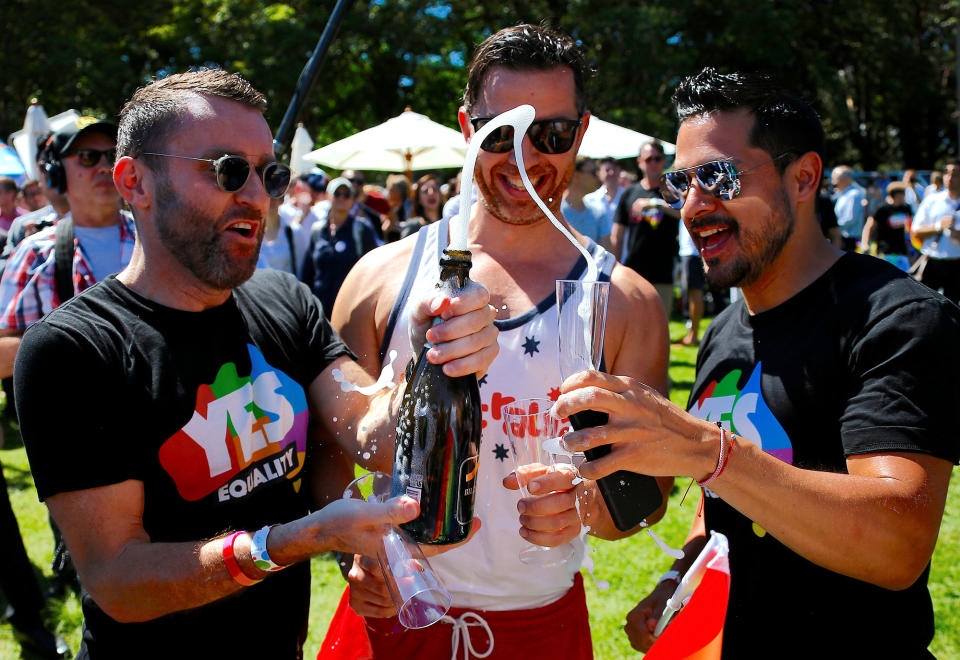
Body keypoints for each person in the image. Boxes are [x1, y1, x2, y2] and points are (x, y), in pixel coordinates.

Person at [13, 69, 498, 659]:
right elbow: (118, 581)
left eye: (270, 173)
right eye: (226, 170)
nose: (258, 196)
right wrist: (294, 540)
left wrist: (428, 355)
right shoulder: (74, 351)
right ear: (134, 181)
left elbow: (365, 429)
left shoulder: (283, 300)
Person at [555, 67, 960, 659]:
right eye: (681, 183)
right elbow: (721, 499)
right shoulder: (724, 331)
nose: (693, 207)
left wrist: (704, 450)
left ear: (805, 177)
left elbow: (896, 544)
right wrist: (678, 580)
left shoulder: (897, 317)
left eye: (718, 177)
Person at [323, 23, 671, 659]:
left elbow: (650, 496)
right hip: (391, 619)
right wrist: (351, 543)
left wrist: (589, 508)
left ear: (581, 135)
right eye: (500, 133)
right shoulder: (380, 277)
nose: (524, 157)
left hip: (541, 625)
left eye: (552, 135)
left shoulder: (626, 302)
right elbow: (328, 446)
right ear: (466, 128)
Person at [0, 117, 133, 381]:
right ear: (56, 173)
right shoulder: (35, 254)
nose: (106, 167)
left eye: (113, 156)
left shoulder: (160, 240)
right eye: (88, 157)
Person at [611, 140, 682, 316]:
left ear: (664, 161)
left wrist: (655, 203)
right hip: (634, 269)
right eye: (649, 159)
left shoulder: (671, 191)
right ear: (640, 162)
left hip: (663, 269)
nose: (653, 163)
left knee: (660, 323)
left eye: (658, 159)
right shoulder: (629, 192)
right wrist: (615, 265)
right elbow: (617, 234)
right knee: (634, 322)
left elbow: (682, 213)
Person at [299, 176, 381, 316]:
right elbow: (308, 273)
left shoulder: (361, 230)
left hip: (349, 312)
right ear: (328, 197)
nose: (341, 198)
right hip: (319, 312)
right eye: (337, 194)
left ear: (352, 201)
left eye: (346, 195)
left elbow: (374, 273)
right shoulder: (318, 230)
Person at [910, 161, 960, 303]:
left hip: (957, 265)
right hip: (932, 263)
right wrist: (939, 226)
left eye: (955, 174)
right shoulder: (932, 200)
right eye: (947, 173)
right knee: (927, 307)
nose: (950, 178)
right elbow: (916, 232)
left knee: (953, 311)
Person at [562, 156, 613, 250]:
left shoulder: (599, 211)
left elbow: (608, 255)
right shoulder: (553, 212)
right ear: (576, 175)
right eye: (593, 172)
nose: (598, 176)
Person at [861, 181, 912, 266]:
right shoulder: (882, 209)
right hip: (885, 252)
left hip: (902, 252)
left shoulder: (906, 209)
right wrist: (865, 243)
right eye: (903, 194)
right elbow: (869, 226)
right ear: (897, 195)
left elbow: (910, 228)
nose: (905, 197)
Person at [395, 173, 442, 238]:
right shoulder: (414, 227)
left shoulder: (449, 223)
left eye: (435, 189)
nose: (431, 193)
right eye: (425, 191)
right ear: (419, 199)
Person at [830, 165, 866, 250]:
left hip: (849, 239)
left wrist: (834, 229)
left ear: (845, 178)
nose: (833, 182)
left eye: (835, 178)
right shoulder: (843, 194)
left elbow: (850, 218)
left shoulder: (854, 194)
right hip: (842, 237)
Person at [582, 156, 623, 226]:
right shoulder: (589, 200)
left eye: (614, 169)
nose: (611, 173)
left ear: (619, 171)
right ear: (598, 174)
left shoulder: (629, 197)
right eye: (607, 170)